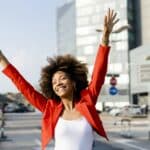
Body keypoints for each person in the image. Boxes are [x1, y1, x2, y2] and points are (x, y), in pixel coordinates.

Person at [0, 8, 119, 150]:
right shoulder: (50, 108)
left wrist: (105, 38)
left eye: (62, 79)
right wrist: (1, 59)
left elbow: (98, 75)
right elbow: (24, 87)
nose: (58, 84)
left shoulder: (88, 101)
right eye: (54, 82)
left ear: (73, 82)